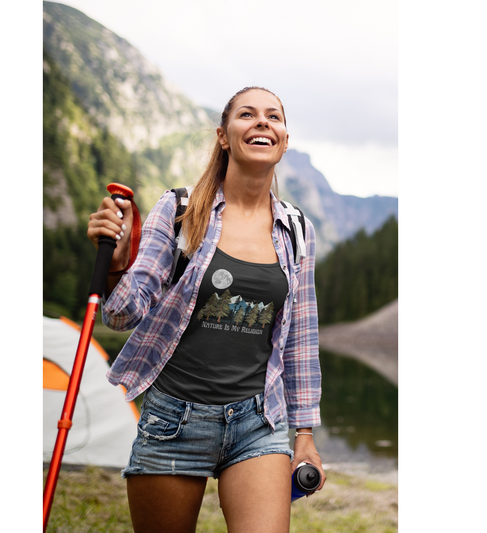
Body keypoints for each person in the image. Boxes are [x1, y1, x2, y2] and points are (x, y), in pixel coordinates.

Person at [87, 86, 325, 533]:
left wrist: (305, 434)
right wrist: (116, 269)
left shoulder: (297, 229)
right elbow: (123, 315)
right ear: (223, 135)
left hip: (259, 421)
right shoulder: (179, 209)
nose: (261, 122)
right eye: (247, 114)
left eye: (273, 117)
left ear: (285, 139)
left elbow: (301, 337)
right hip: (174, 418)